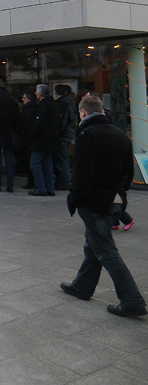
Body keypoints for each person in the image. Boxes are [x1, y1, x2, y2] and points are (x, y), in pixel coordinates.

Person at [60, 95, 146, 317]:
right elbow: (128, 172)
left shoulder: (87, 135)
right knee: (93, 245)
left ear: (83, 113)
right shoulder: (120, 134)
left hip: (95, 201)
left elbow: (82, 174)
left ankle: (132, 299)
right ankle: (82, 285)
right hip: (115, 199)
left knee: (106, 250)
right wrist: (120, 193)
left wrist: (74, 199)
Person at [27, 84, 59, 196]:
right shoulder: (54, 104)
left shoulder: (43, 106)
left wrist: (30, 134)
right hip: (51, 140)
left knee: (35, 163)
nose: (35, 93)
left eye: (36, 91)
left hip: (40, 140)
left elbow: (39, 124)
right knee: (47, 164)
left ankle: (40, 187)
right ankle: (50, 188)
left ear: (40, 93)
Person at [0, 87, 19, 192]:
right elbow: (17, 120)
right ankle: (10, 185)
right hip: (8, 134)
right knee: (9, 160)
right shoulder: (13, 105)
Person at [54, 84, 77, 191]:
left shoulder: (62, 104)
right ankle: (64, 181)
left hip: (63, 135)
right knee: (62, 158)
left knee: (61, 159)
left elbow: (62, 121)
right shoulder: (70, 102)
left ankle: (65, 182)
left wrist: (59, 132)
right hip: (69, 133)